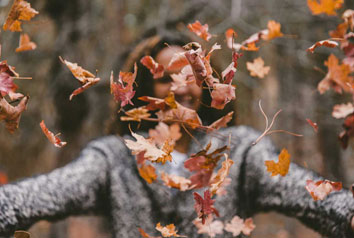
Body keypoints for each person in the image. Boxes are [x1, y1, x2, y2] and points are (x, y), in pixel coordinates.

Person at [0, 35, 354, 238]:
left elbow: (309, 196)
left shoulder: (240, 150)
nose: (180, 87)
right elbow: (46, 193)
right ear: (143, 90)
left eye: (190, 76)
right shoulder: (115, 157)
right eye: (166, 78)